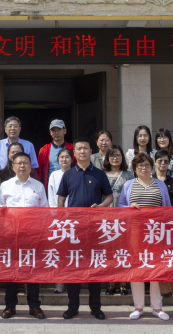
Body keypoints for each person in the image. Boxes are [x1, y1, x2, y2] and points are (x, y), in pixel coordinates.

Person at [57, 137, 113, 320]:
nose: (82, 151)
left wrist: (101, 207)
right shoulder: (68, 175)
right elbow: (61, 199)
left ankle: (95, 307)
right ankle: (72, 307)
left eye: (85, 148)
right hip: (73, 229)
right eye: (79, 148)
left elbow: (109, 197)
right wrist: (63, 219)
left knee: (94, 268)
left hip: (94, 228)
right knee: (74, 268)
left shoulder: (99, 174)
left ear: (91, 151)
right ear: (74, 152)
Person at [118, 152, 171, 321]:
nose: (143, 168)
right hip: (135, 233)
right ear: (135, 168)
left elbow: (167, 208)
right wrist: (129, 207)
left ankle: (157, 307)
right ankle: (138, 307)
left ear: (152, 167)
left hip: (156, 233)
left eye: (147, 165)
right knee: (137, 268)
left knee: (156, 268)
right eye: (140, 165)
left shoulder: (160, 185)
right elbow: (120, 206)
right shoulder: (129, 185)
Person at [0, 152, 47, 320]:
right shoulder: (6, 185)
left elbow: (45, 210)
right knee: (12, 270)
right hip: (12, 234)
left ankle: (34, 306)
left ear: (31, 167)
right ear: (13, 167)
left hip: (32, 235)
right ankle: (10, 305)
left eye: (25, 163)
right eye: (19, 163)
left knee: (32, 270)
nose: (22, 166)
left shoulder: (38, 186)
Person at [103, 144, 134, 295]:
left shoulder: (129, 175)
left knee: (123, 251)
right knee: (110, 252)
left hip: (124, 219)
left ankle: (123, 283)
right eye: (112, 156)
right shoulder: (102, 174)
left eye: (118, 155)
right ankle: (111, 283)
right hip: (107, 219)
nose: (115, 158)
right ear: (107, 158)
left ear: (123, 157)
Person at [46, 147, 73, 294]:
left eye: (67, 157)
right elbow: (51, 195)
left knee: (73, 250)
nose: (64, 159)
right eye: (61, 157)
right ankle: (60, 281)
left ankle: (73, 279)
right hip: (58, 218)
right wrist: (54, 213)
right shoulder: (54, 175)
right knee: (59, 250)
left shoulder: (76, 173)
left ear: (72, 159)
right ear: (58, 160)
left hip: (74, 217)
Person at [37, 119, 73, 187]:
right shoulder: (44, 150)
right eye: (53, 130)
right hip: (51, 186)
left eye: (59, 130)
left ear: (65, 131)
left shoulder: (72, 148)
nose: (56, 133)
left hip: (70, 185)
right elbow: (39, 172)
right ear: (50, 132)